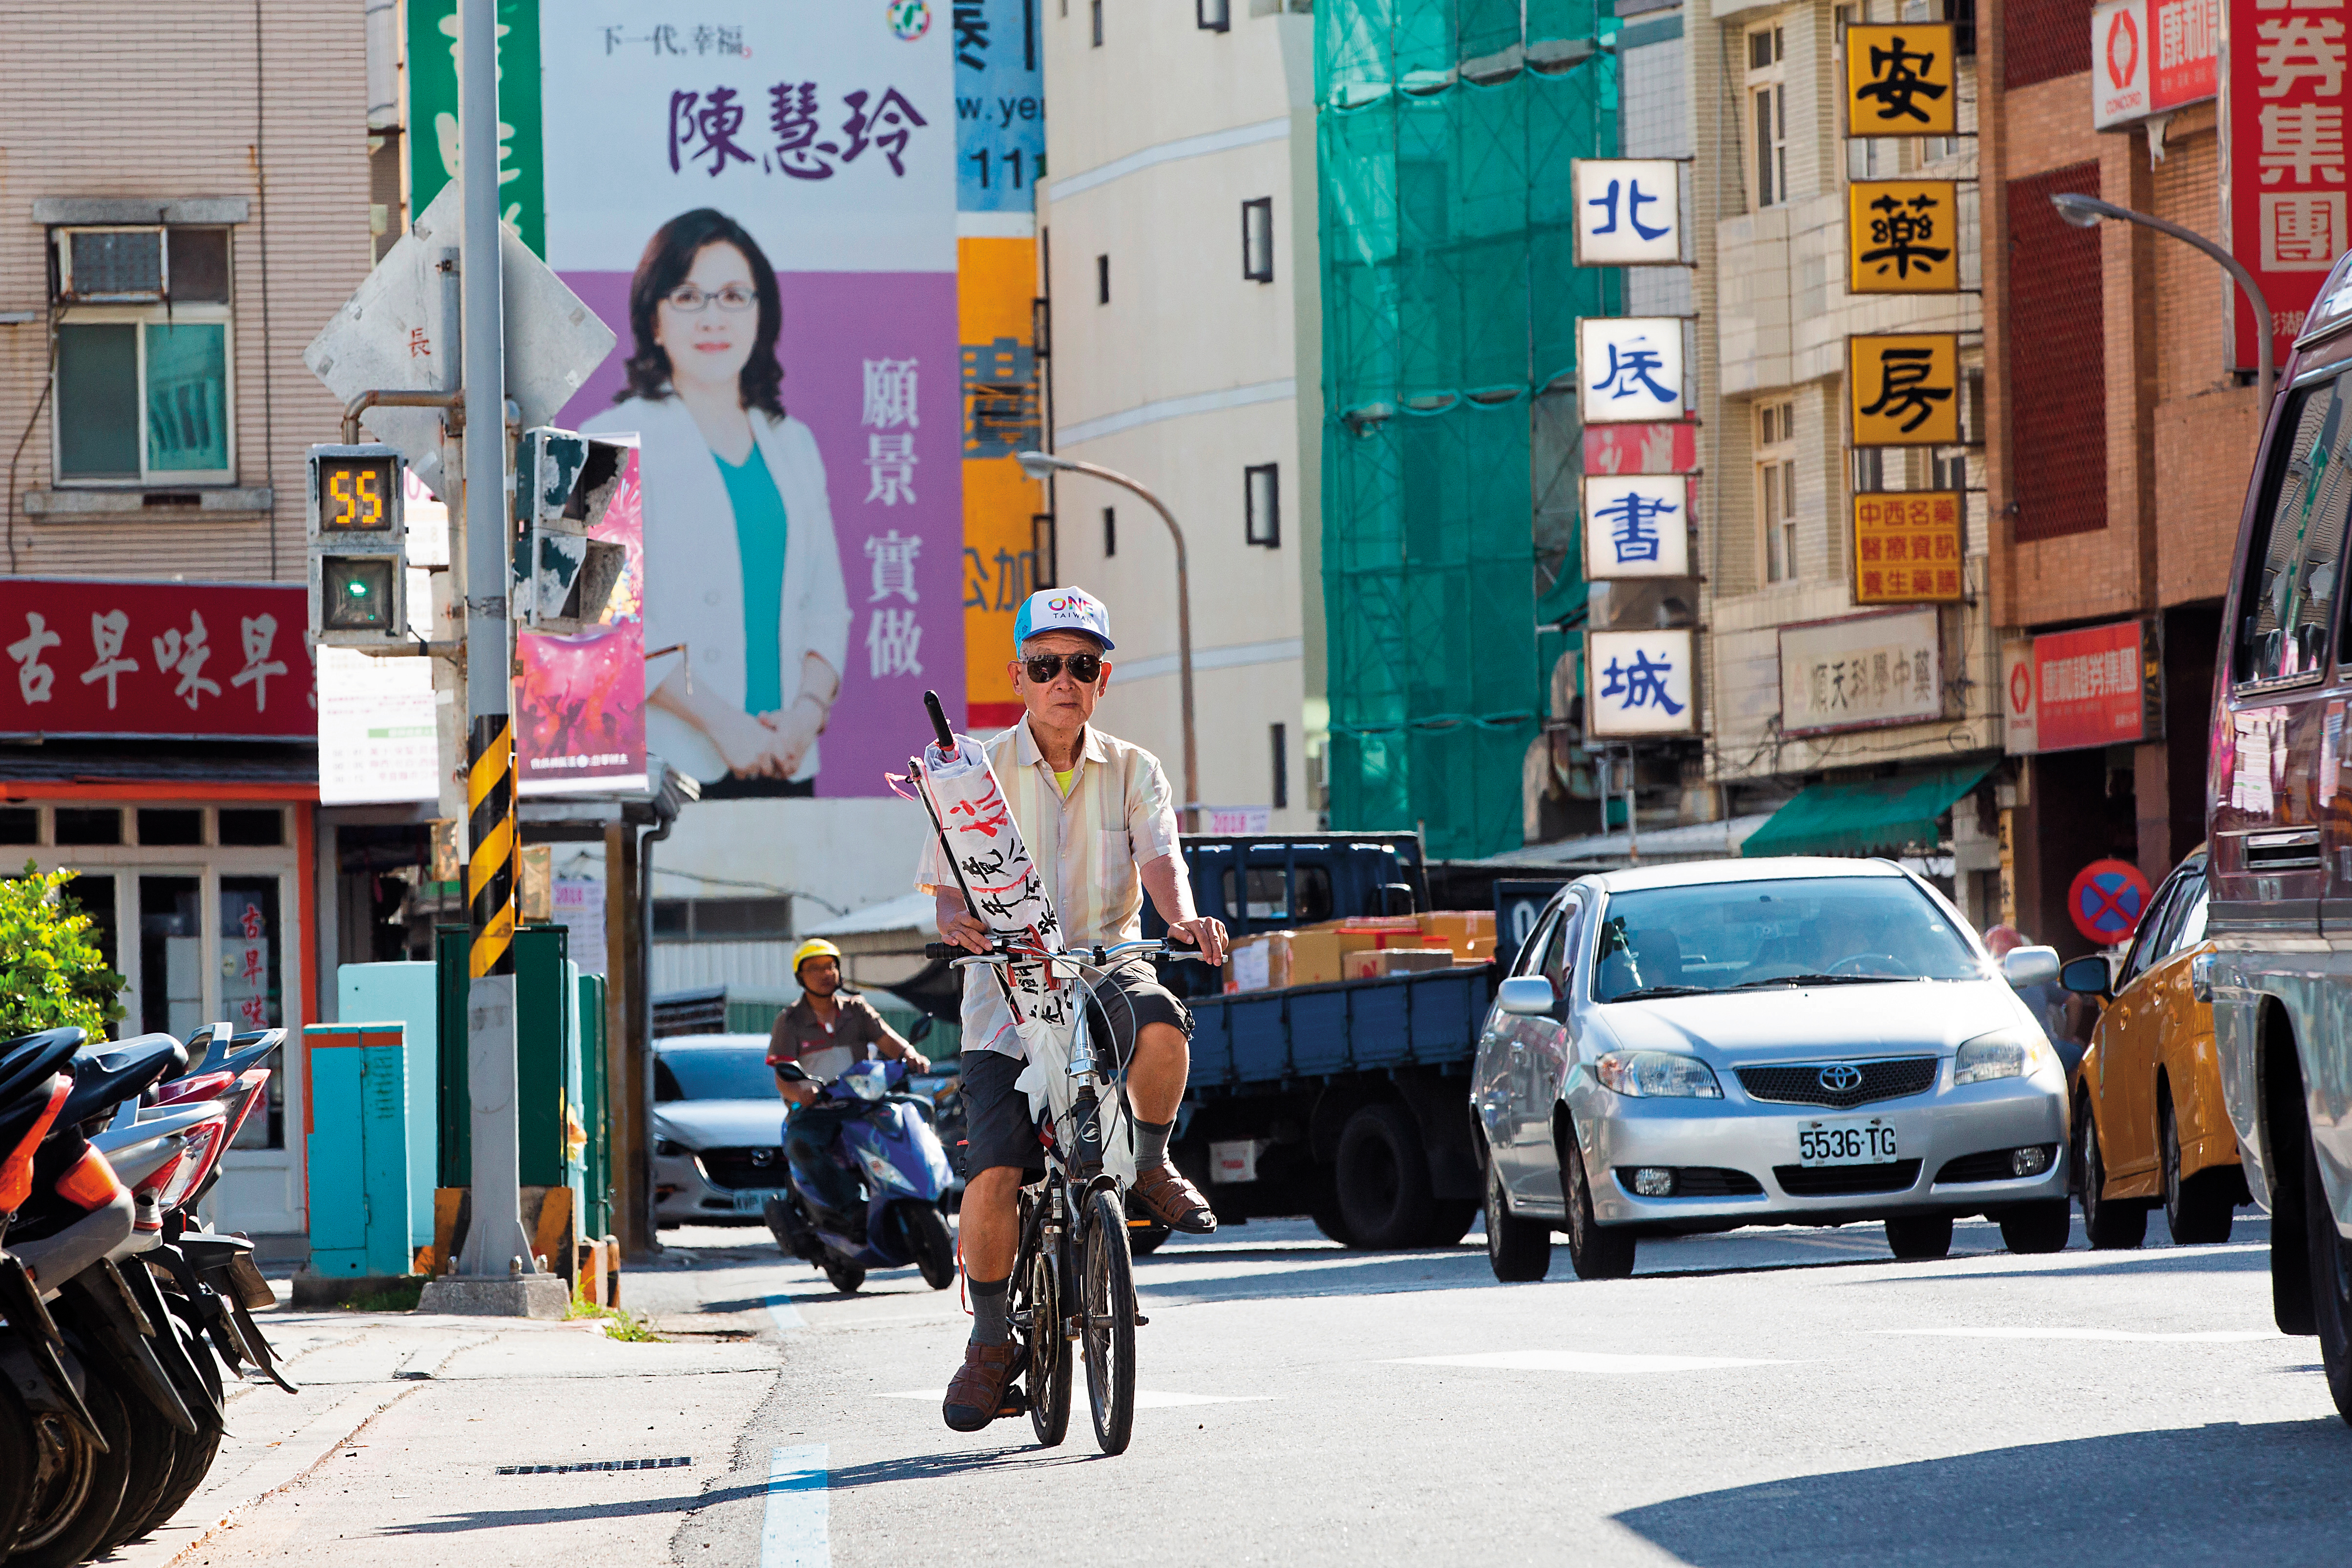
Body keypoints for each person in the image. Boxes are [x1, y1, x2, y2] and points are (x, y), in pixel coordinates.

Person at [916, 586, 1229, 1433]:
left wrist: (1183, 919)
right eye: (1047, 665)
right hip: (1006, 996)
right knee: (993, 1170)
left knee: (1162, 1022)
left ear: (1102, 678)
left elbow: (1160, 860)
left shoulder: (1135, 769)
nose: (1064, 680)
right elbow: (948, 895)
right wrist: (959, 925)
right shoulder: (969, 775)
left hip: (1104, 965)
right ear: (1018, 675)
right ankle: (989, 1342)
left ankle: (1152, 1164)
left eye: (1081, 666)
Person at [584, 208, 851, 797]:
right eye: (688, 296)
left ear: (762, 313)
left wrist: (804, 716)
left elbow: (827, 608)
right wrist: (724, 724)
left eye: (734, 296)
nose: (713, 317)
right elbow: (607, 612)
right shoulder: (607, 440)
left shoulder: (793, 443)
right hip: (671, 763)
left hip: (785, 757)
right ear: (653, 319)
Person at [770, 939, 928, 1213]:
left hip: (863, 1104)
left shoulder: (857, 1009)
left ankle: (922, 1192)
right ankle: (852, 1208)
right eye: (815, 968)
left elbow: (891, 1042)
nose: (825, 974)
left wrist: (911, 1055)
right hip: (817, 1111)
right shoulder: (789, 1020)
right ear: (800, 977)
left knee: (921, 1111)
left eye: (830, 966)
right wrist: (801, 1091)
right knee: (801, 1144)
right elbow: (782, 1075)